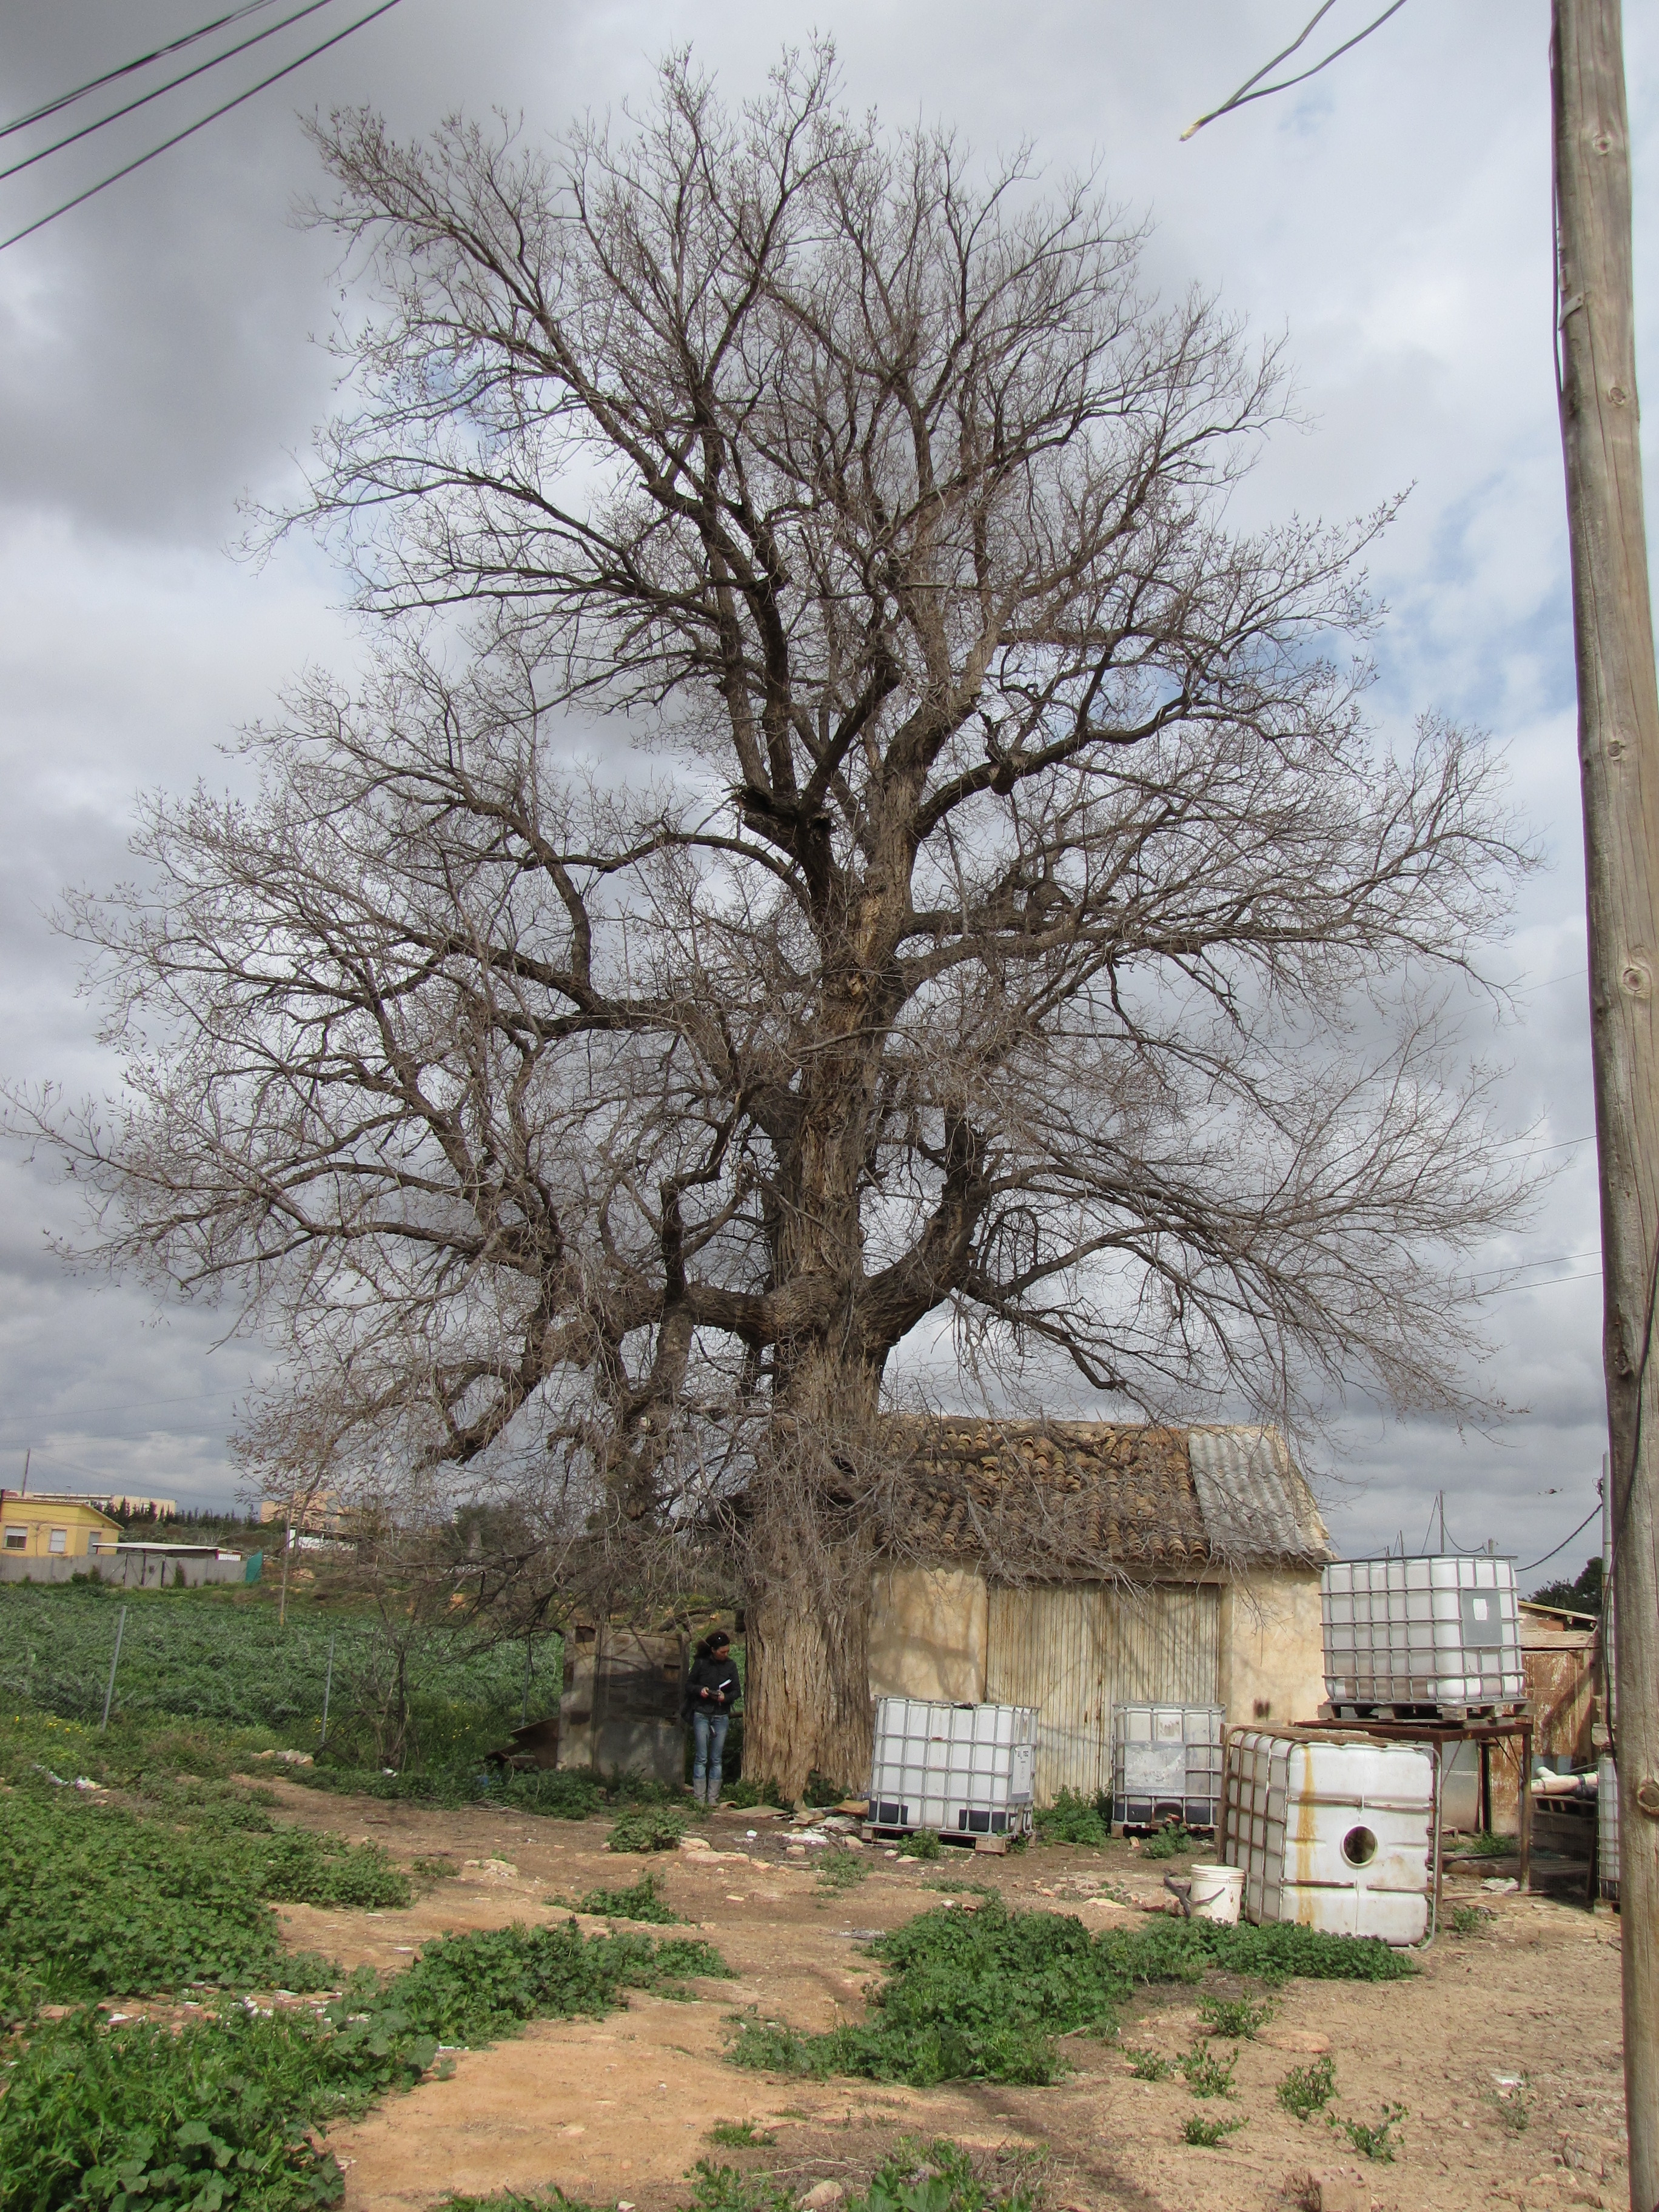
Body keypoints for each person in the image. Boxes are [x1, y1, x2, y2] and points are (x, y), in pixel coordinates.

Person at [684, 1630, 741, 1805]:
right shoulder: (701, 1664)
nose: (725, 1655)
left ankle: (713, 1798)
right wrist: (700, 1691)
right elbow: (689, 1685)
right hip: (702, 1713)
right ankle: (699, 1798)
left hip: (721, 1715)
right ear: (713, 1650)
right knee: (702, 1757)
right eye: (722, 1652)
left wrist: (726, 1697)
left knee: (716, 1758)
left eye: (727, 1652)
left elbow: (737, 1691)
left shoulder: (731, 1666)